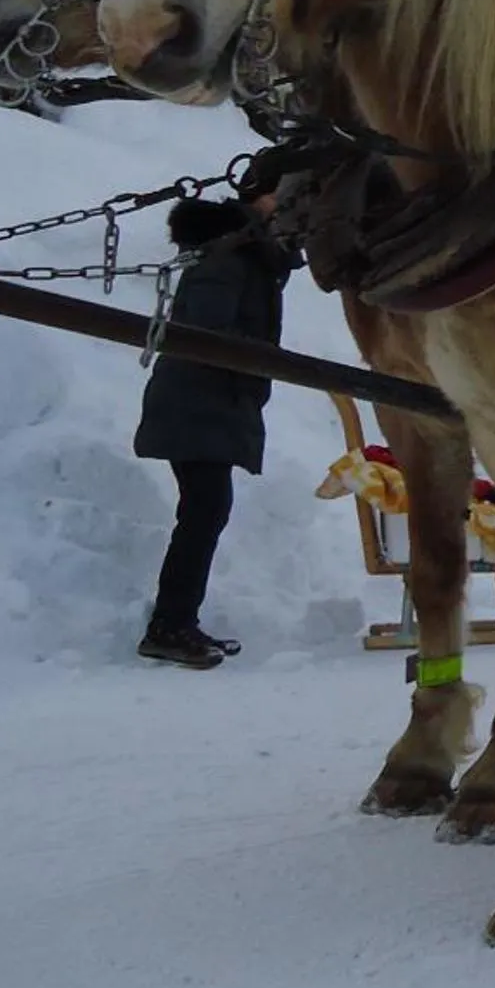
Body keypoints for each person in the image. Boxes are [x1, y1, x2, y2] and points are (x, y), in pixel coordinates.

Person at [133, 193, 297, 669]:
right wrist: (260, 362)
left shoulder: (245, 260)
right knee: (204, 515)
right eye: (276, 204)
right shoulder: (227, 262)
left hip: (209, 403)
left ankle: (177, 620)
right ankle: (169, 625)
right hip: (197, 403)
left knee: (204, 515)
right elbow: (204, 333)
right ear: (255, 211)